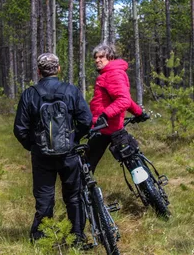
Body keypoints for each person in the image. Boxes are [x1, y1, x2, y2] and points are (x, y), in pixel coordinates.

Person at [13, 53, 92, 242]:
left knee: (44, 199)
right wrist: (73, 139)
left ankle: (41, 239)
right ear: (58, 69)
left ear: (39, 71)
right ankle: (78, 238)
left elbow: (20, 129)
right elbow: (86, 120)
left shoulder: (30, 94)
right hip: (69, 155)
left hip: (42, 157)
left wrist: (34, 146)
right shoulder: (71, 90)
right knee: (74, 197)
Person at [88, 43, 149, 173]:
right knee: (132, 160)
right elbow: (124, 99)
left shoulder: (112, 73)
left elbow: (123, 100)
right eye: (95, 57)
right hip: (114, 128)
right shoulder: (114, 72)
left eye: (101, 57)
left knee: (86, 164)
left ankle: (84, 192)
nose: (97, 60)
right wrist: (138, 113)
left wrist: (104, 115)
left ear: (110, 57)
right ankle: (151, 189)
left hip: (104, 128)